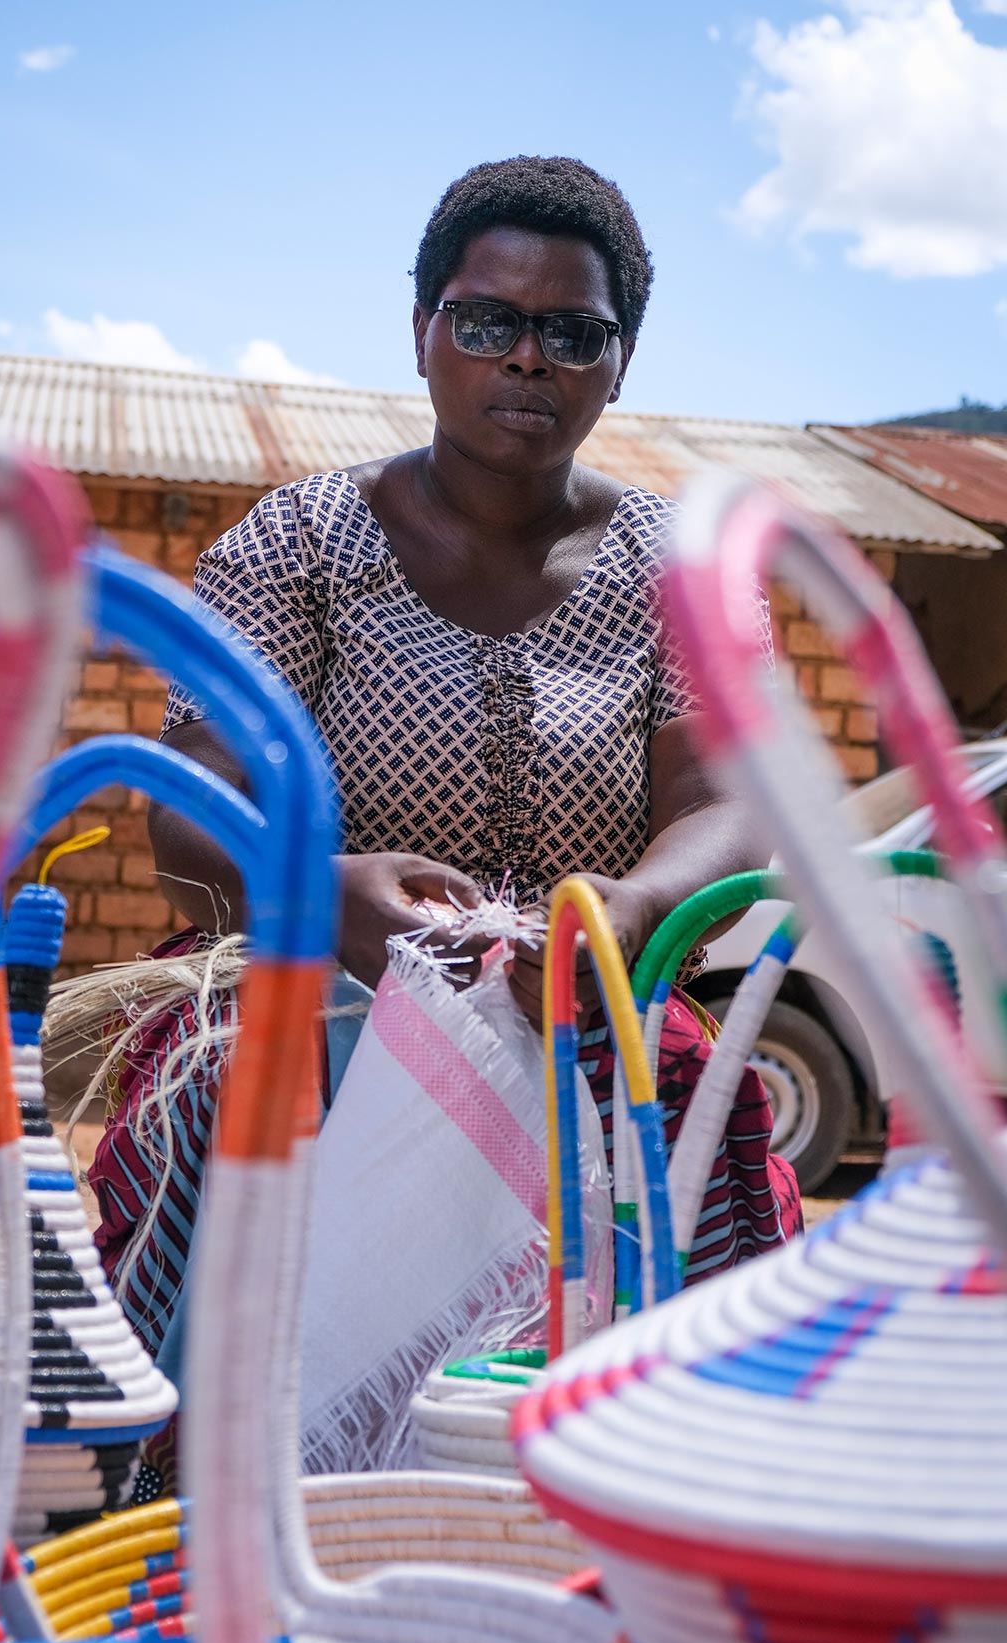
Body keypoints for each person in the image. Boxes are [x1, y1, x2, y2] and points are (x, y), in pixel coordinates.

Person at [89, 155, 801, 1405]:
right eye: (488, 323)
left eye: (574, 334)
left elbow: (729, 803)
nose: (529, 360)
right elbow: (189, 809)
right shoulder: (297, 543)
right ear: (424, 335)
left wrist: (624, 918)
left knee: (701, 1107)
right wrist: (320, 890)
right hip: (322, 1003)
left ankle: (662, 1487)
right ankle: (184, 1496)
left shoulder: (682, 574)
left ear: (619, 361)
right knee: (213, 1092)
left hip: (589, 1019)